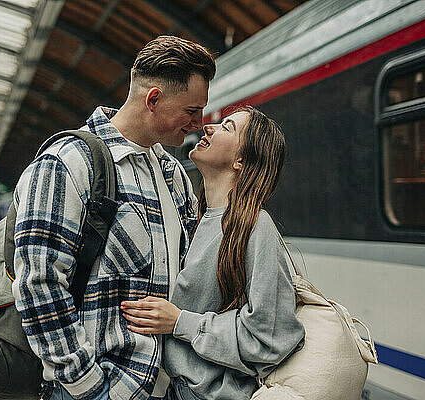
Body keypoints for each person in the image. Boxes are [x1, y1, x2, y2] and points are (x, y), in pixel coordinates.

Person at [12, 36, 215, 400]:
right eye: (190, 110)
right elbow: (38, 283)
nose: (198, 123)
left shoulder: (173, 173)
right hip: (101, 387)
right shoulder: (68, 163)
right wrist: (85, 384)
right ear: (153, 99)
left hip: (168, 387)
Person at [121, 106, 306, 400]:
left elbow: (270, 338)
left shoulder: (255, 227)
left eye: (226, 127)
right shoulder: (193, 221)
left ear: (241, 161)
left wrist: (180, 322)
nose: (209, 127)